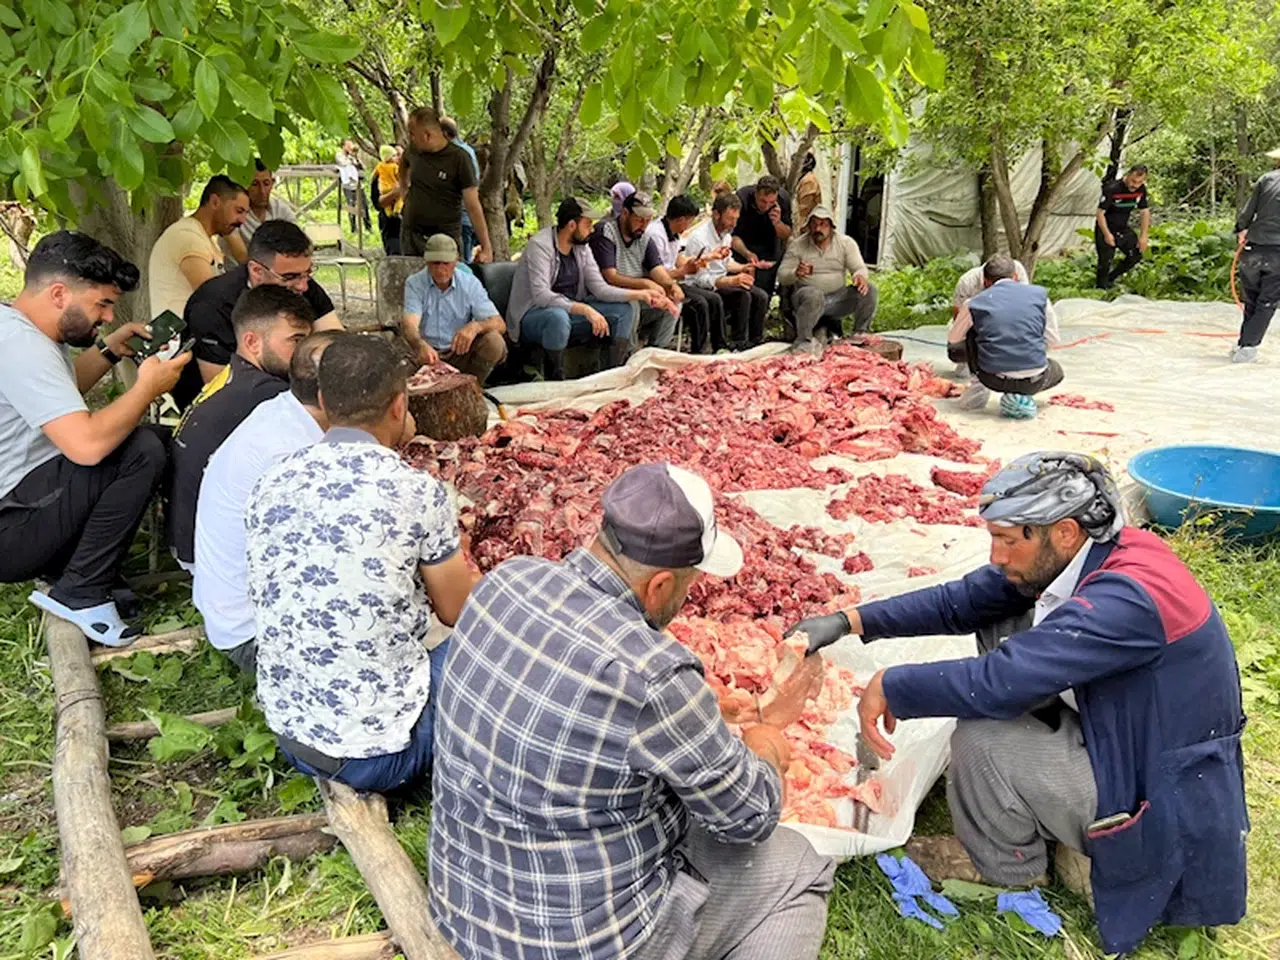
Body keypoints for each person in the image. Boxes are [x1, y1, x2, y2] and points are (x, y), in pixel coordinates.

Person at [788, 452, 1248, 957]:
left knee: (982, 738)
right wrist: (849, 621)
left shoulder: (1128, 597)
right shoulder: (1086, 557)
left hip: (1155, 791)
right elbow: (960, 601)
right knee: (1001, 615)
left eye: (1008, 540)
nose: (996, 556)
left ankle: (1014, 869)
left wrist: (892, 685)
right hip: (1119, 732)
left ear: (1065, 532)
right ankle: (1063, 825)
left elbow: (999, 681)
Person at [430, 462, 836, 960]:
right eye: (689, 585)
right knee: (799, 864)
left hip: (466, 908)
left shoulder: (505, 581)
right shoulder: (653, 672)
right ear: (660, 585)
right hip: (577, 945)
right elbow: (749, 816)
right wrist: (768, 736)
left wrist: (706, 716)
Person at [245, 334, 477, 792]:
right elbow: (458, 614)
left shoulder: (271, 479)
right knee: (495, 643)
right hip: (380, 756)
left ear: (325, 402)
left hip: (293, 737)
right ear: (399, 405)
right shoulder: (415, 490)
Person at [0, 232, 190, 645]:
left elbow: (56, 398)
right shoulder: (20, 346)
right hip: (9, 531)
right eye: (101, 304)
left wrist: (109, 351)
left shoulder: (18, 327)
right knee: (139, 449)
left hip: (22, 502)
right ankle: (80, 592)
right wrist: (146, 389)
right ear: (57, 293)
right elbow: (86, 446)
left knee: (152, 437)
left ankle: (75, 564)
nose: (107, 317)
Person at [193, 331, 340, 674]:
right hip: (255, 637)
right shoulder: (294, 457)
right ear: (331, 397)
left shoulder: (285, 411)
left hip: (234, 613)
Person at [167, 286, 316, 570]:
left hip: (186, 536)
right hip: (215, 557)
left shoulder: (235, 375)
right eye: (296, 341)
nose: (305, 353)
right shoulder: (269, 395)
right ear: (252, 342)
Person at [177, 220, 343, 410]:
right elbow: (222, 391)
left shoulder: (300, 284)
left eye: (308, 273)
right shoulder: (211, 306)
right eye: (290, 277)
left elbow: (336, 343)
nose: (303, 286)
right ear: (257, 271)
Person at [506, 197, 665, 380]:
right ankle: (555, 380)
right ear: (572, 225)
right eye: (588, 223)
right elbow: (541, 295)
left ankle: (613, 375)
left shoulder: (582, 247)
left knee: (625, 309)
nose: (592, 229)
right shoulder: (540, 246)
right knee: (557, 317)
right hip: (534, 314)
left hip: (571, 311)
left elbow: (600, 288)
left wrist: (641, 294)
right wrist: (585, 309)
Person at [950, 255, 1062, 419]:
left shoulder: (973, 303)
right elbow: (1053, 340)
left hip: (991, 378)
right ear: (1016, 276)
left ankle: (976, 394)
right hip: (1034, 379)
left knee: (970, 331)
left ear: (986, 282)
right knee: (1057, 370)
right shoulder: (1040, 296)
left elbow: (954, 339)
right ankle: (1022, 394)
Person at [388, 106, 493, 263]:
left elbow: (473, 204)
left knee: (446, 283)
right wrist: (404, 191)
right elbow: (404, 164)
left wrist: (486, 247)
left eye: (412, 134)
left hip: (445, 237)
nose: (410, 138)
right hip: (412, 234)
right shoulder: (414, 150)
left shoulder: (459, 158)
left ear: (427, 135)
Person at [401, 234, 507, 384]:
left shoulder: (469, 283)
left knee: (494, 342)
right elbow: (409, 325)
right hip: (427, 352)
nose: (440, 269)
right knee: (396, 375)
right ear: (426, 262)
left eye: (446, 263)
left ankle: (473, 386)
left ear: (456, 261)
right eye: (435, 263)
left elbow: (499, 323)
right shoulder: (415, 283)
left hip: (459, 351)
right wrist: (419, 344)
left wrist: (476, 326)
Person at [148, 175, 249, 320]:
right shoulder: (187, 237)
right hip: (178, 340)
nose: (243, 221)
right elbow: (212, 297)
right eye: (239, 211)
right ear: (215, 202)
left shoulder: (202, 238)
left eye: (245, 214)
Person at [778, 205, 877, 352]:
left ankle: (860, 333)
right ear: (809, 225)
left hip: (837, 299)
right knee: (813, 294)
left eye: (823, 224)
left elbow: (859, 267)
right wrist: (795, 273)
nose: (818, 229)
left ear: (831, 226)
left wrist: (860, 276)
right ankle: (803, 340)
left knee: (870, 290)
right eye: (814, 224)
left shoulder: (845, 243)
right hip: (807, 300)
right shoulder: (798, 245)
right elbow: (782, 275)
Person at [589, 191, 680, 349]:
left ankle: (657, 352)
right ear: (625, 213)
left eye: (647, 220)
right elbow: (610, 277)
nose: (643, 225)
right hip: (608, 296)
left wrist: (670, 285)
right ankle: (628, 355)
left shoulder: (644, 238)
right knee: (632, 304)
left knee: (672, 303)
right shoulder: (606, 232)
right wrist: (645, 284)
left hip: (638, 294)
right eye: (639, 220)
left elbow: (656, 269)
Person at [684, 192, 768, 350]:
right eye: (730, 219)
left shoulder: (726, 235)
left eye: (736, 219)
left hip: (719, 280)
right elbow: (700, 278)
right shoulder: (699, 238)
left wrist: (744, 267)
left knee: (761, 296)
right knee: (742, 295)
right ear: (716, 214)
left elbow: (726, 263)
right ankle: (735, 344)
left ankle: (754, 342)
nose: (734, 224)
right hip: (701, 284)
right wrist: (731, 281)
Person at [645, 194, 728, 353]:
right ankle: (697, 350)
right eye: (690, 221)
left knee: (714, 299)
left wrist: (705, 259)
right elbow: (658, 273)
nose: (691, 224)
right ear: (681, 219)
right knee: (699, 304)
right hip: (658, 284)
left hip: (672, 281)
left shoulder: (673, 233)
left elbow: (678, 258)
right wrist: (684, 271)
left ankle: (719, 347)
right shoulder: (655, 235)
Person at [1231, 146, 1280, 363]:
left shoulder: (1266, 179)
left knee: (1252, 299)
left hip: (1253, 248)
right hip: (1277, 252)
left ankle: (1243, 342)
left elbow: (1247, 213)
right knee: (1267, 301)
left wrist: (1241, 230)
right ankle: (1248, 347)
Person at [950, 255, 1031, 371]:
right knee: (958, 348)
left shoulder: (1017, 269)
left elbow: (1023, 305)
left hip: (1008, 320)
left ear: (1015, 277)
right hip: (977, 324)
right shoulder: (967, 283)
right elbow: (957, 317)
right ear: (987, 283)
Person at [732, 174, 792, 298]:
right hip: (743, 246)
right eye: (763, 201)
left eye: (771, 202)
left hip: (769, 249)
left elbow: (786, 233)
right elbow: (732, 236)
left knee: (763, 294)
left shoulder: (783, 199)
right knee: (742, 293)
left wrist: (777, 223)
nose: (766, 206)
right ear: (756, 193)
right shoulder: (742, 197)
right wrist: (747, 254)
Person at [225, 159, 296, 264]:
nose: (262, 191)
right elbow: (242, 257)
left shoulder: (281, 210)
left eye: (266, 183)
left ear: (272, 183)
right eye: (254, 184)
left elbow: (299, 245)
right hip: (240, 276)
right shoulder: (231, 214)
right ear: (243, 184)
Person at [1095, 164, 1150, 289]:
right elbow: (1100, 213)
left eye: (1139, 182)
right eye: (1133, 181)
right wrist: (1107, 234)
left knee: (1136, 254)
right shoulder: (1112, 188)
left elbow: (1144, 211)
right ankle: (1101, 288)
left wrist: (1143, 236)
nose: (1135, 186)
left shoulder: (1141, 190)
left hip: (1123, 227)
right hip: (1106, 227)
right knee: (1105, 262)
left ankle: (1112, 278)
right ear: (1128, 175)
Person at [439, 116, 482, 263]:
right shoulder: (467, 150)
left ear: (444, 134)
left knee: (460, 266)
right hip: (462, 219)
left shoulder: (457, 154)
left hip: (459, 219)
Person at [372, 145, 404, 256]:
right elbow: (377, 203)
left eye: (401, 154)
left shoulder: (409, 173)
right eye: (397, 154)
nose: (400, 157)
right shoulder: (380, 175)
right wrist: (395, 193)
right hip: (391, 227)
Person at [336, 139, 371, 234]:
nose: (350, 148)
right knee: (351, 206)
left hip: (359, 185)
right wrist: (351, 158)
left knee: (364, 205)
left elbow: (363, 167)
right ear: (343, 146)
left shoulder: (354, 156)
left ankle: (368, 227)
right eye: (348, 145)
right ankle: (353, 228)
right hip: (348, 185)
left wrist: (356, 158)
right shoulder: (340, 155)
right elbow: (344, 164)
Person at [795, 153, 822, 227]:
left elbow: (804, 209)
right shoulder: (806, 178)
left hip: (807, 223)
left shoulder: (808, 180)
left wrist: (801, 227)